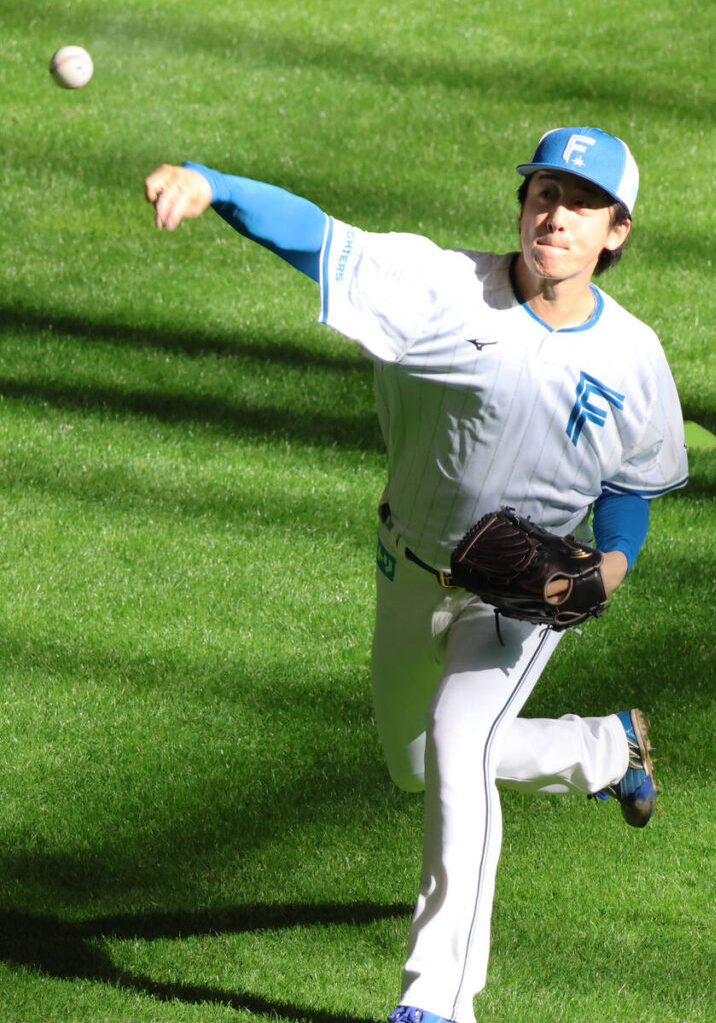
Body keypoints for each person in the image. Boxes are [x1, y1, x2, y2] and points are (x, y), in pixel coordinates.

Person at [145, 126, 688, 1023]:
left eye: (582, 204)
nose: (556, 214)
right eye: (544, 193)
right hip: (409, 567)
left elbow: (631, 481)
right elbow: (317, 238)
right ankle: (604, 748)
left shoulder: (635, 356)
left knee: (460, 744)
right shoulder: (442, 291)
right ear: (522, 204)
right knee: (417, 762)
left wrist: (615, 562)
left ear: (615, 231)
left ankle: (437, 1002)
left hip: (519, 599)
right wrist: (211, 184)